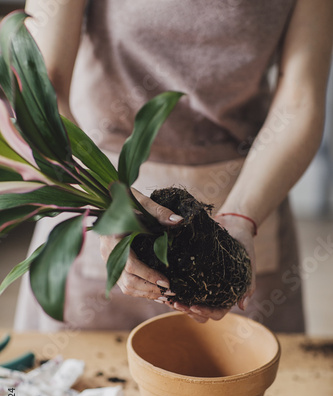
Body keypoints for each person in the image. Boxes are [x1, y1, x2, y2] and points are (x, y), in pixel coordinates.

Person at [15, 0, 333, 333]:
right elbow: (41, 85)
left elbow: (300, 100)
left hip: (248, 194)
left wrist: (243, 216)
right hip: (99, 188)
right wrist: (112, 207)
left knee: (243, 377)